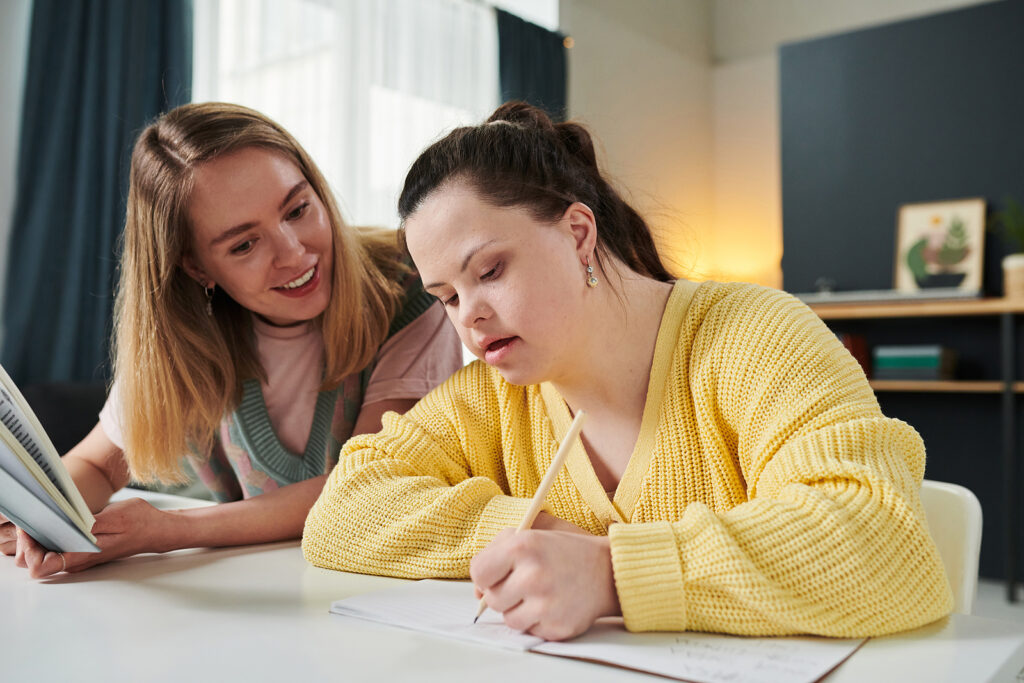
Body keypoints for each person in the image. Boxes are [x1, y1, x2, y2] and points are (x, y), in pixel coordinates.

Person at [301, 102, 953, 641]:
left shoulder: (754, 335)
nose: (470, 317)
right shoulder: (496, 393)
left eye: (490, 271)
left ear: (579, 234)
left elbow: (883, 543)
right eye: (446, 295)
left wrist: (613, 573)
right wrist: (539, 531)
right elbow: (342, 513)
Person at [1, 102, 462, 577]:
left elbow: (363, 487)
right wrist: (42, 516)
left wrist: (169, 531)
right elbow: (98, 466)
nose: (293, 252)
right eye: (244, 244)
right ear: (197, 267)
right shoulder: (181, 333)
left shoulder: (413, 286)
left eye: (298, 209)